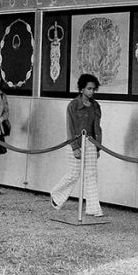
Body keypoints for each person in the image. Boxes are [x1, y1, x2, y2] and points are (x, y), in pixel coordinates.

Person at [49, 73, 104, 217]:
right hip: (76, 142)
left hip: (91, 142)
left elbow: (97, 128)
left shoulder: (96, 106)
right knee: (74, 173)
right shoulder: (73, 105)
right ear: (81, 89)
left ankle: (93, 208)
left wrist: (98, 147)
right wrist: (75, 147)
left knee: (92, 175)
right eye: (89, 89)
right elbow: (70, 128)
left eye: (93, 89)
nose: (91, 92)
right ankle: (56, 195)